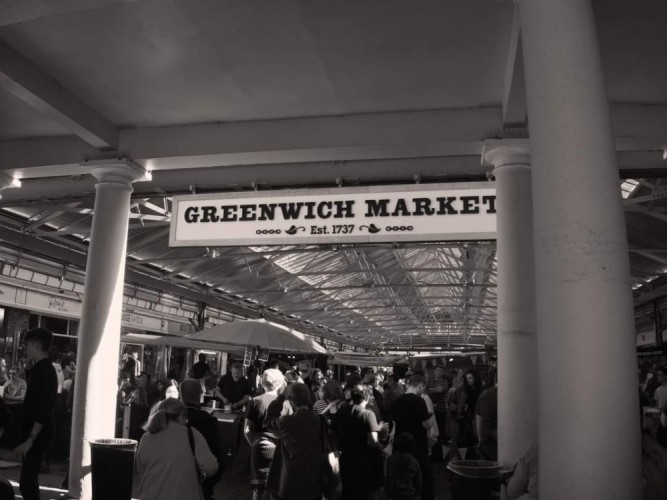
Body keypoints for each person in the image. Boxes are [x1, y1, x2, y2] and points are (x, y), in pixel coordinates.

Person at [137, 398, 218, 500]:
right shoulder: (192, 435)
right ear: (181, 415)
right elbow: (211, 467)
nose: (186, 422)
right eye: (185, 418)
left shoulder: (146, 438)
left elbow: (142, 470)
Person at [15, 328, 58, 500]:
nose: (25, 348)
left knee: (27, 483)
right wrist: (27, 365)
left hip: (38, 433)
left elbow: (43, 408)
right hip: (39, 431)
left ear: (36, 346)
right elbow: (35, 388)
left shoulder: (45, 372)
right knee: (29, 481)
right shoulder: (42, 368)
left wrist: (30, 439)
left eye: (27, 345)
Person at [265, 383, 325, 500]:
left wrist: (281, 397)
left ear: (291, 401)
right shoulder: (318, 419)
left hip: (290, 478)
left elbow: (269, 421)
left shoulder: (288, 422)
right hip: (313, 479)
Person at [332, 383, 383, 500]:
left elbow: (333, 432)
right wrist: (381, 447)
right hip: (363, 462)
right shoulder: (368, 414)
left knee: (347, 491)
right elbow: (373, 441)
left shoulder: (341, 411)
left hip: (345, 458)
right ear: (366, 397)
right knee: (361, 493)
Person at [244, 369, 285, 500]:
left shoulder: (254, 401)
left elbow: (247, 430)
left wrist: (254, 444)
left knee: (258, 488)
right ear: (279, 383)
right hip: (279, 449)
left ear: (262, 383)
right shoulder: (286, 403)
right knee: (276, 487)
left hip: (259, 446)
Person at [181, 379, 224, 500]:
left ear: (180, 395)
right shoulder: (208, 421)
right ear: (200, 395)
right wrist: (207, 485)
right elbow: (218, 460)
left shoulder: (171, 418)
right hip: (200, 482)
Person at [391, 374, 434, 500]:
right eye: (423, 388)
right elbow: (426, 425)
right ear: (420, 386)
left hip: (400, 444)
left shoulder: (397, 401)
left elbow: (394, 423)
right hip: (417, 445)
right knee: (424, 477)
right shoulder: (419, 401)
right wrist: (431, 417)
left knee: (403, 478)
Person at [385, 433, 423, 500]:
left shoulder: (392, 460)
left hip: (397, 494)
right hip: (411, 494)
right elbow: (419, 482)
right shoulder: (414, 461)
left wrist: (389, 494)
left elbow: (390, 478)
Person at [476, 369, 498, 460]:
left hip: (485, 437)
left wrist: (480, 439)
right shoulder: (507, 395)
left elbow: (478, 418)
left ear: (495, 379)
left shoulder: (484, 394)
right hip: (499, 439)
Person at [426, 364, 448, 445]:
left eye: (441, 371)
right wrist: (431, 389)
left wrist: (428, 389)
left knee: (441, 428)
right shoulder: (429, 381)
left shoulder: (444, 382)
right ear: (434, 371)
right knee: (432, 428)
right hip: (431, 408)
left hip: (441, 408)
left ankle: (441, 446)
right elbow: (425, 391)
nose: (440, 373)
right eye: (438, 371)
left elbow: (439, 390)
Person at [654, 367, 667, 445]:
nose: (657, 377)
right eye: (657, 375)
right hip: (660, 417)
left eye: (660, 375)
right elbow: (657, 404)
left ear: (665, 376)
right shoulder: (657, 389)